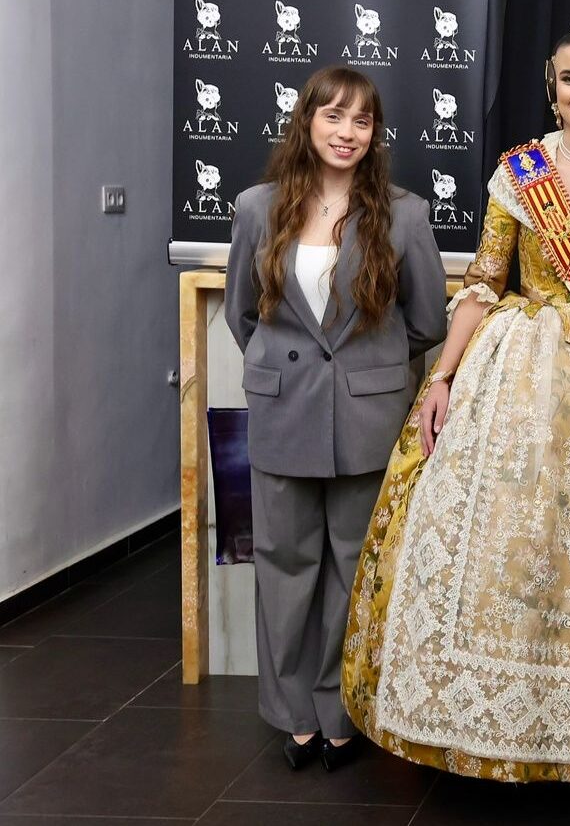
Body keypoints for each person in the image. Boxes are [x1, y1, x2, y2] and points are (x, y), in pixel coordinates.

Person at [340, 25, 570, 783]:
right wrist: (442, 378)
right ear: (551, 86)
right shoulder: (520, 171)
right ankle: (484, 729)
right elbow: (483, 281)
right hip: (517, 374)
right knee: (509, 543)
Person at [225, 65, 448, 772]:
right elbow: (242, 314)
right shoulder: (256, 208)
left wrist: (365, 375)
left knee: (354, 569)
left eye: (362, 120)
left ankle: (341, 710)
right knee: (283, 566)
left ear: (375, 133)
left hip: (366, 419)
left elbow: (427, 323)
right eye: (334, 116)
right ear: (307, 122)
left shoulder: (405, 214)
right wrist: (292, 373)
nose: (347, 132)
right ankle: (294, 715)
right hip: (283, 412)